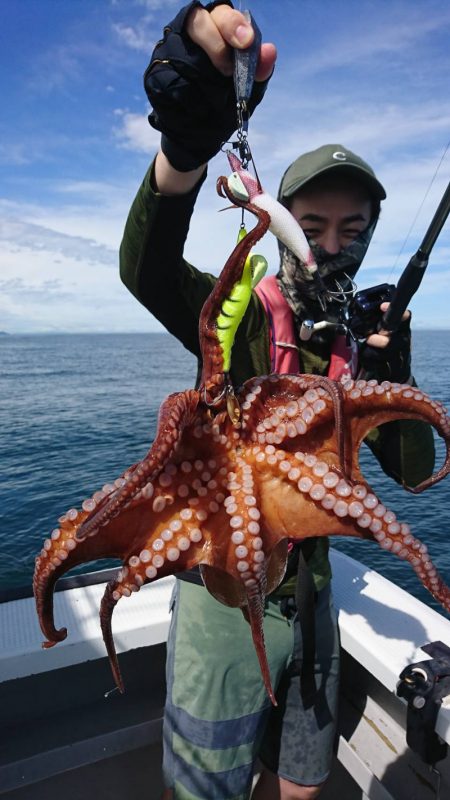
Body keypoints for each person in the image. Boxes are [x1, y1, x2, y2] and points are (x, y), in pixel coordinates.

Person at [119, 3, 435, 798]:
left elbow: (410, 469)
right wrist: (180, 158)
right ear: (281, 222)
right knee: (206, 786)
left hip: (316, 589)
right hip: (222, 597)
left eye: (352, 230)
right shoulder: (244, 320)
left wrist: (396, 367)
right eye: (314, 224)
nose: (333, 246)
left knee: (301, 773)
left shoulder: (360, 342)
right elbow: (148, 269)